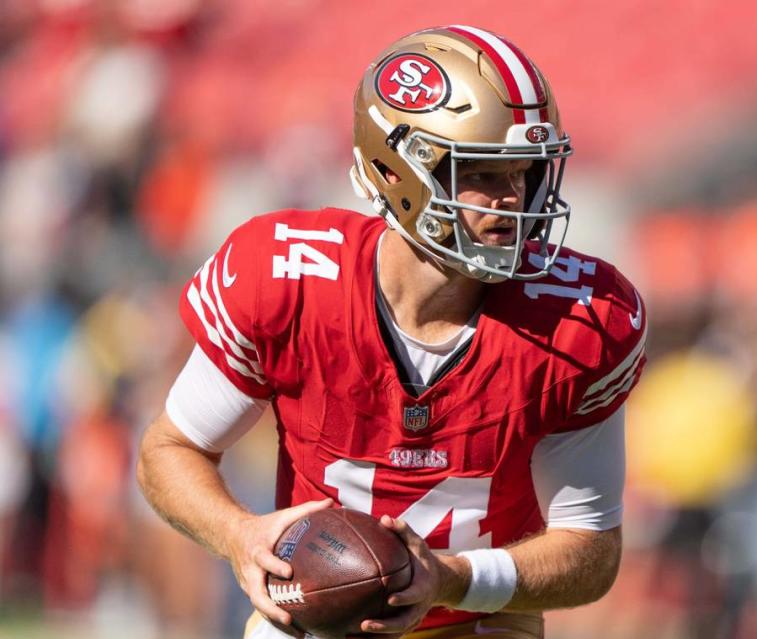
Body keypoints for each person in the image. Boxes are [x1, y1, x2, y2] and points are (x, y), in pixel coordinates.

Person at [137, 25, 647, 639]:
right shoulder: (290, 282)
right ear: (398, 172)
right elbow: (169, 452)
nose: (514, 201)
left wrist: (454, 578)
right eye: (483, 173)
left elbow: (590, 551)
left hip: (479, 620)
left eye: (525, 173)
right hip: (312, 617)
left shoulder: (577, 321)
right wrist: (240, 535)